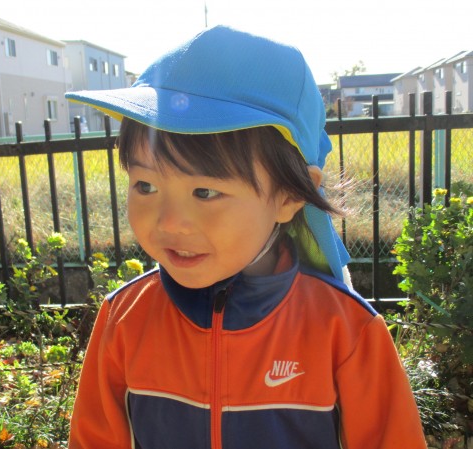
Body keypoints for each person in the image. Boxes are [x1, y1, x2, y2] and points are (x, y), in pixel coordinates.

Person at [65, 26, 426, 449]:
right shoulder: (125, 319)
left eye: (205, 192)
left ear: (289, 195)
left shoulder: (344, 331)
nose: (170, 222)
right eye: (146, 186)